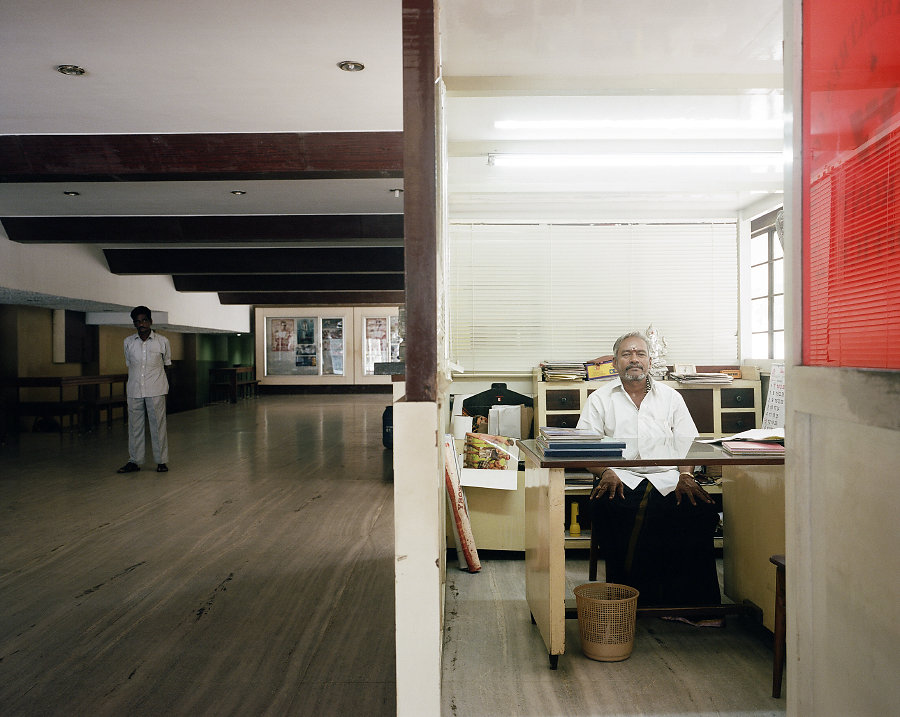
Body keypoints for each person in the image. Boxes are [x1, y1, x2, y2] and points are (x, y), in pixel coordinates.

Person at [577, 330, 721, 616]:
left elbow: (687, 445)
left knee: (699, 511)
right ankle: (629, 606)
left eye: (640, 354)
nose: (634, 360)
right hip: (619, 479)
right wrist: (605, 471)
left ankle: (693, 607)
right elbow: (585, 448)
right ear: (615, 362)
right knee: (611, 510)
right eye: (626, 354)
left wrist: (687, 476)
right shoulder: (599, 399)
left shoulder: (671, 397)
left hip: (668, 478)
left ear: (649, 361)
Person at [117, 306, 172, 474]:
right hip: (134, 390)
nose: (141, 324)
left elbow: (167, 364)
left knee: (158, 426)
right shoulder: (128, 342)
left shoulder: (162, 341)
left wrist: (163, 386)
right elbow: (130, 365)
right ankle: (134, 461)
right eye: (137, 321)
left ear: (150, 321)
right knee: (134, 427)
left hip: (156, 389)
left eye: (144, 320)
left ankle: (161, 461)